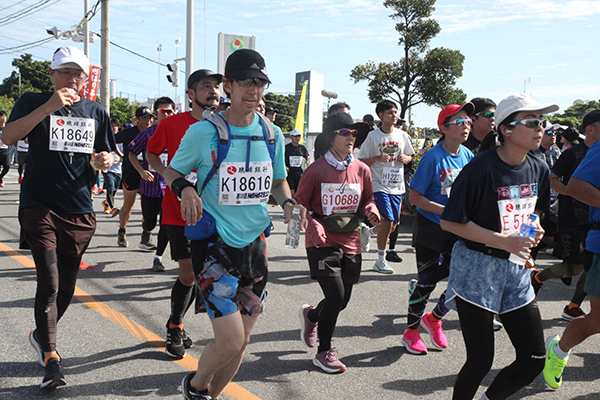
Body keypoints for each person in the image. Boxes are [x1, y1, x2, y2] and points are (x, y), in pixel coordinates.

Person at [163, 49, 305, 400]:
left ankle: (209, 396)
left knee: (242, 343)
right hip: (215, 245)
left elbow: (278, 182)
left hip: (255, 247)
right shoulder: (203, 132)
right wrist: (186, 189)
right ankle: (195, 386)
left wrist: (288, 203)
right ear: (228, 86)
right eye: (245, 82)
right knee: (231, 339)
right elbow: (172, 171)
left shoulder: (272, 134)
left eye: (259, 83)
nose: (253, 90)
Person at [0, 46, 114, 389]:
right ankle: (51, 357)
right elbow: (8, 136)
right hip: (38, 203)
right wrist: (49, 107)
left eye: (78, 73)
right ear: (52, 74)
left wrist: (104, 160)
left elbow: (105, 152)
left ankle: (41, 334)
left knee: (65, 287)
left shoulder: (96, 111)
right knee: (48, 281)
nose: (72, 78)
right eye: (65, 71)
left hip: (78, 207)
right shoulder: (33, 101)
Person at [440, 94, 555, 400]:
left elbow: (535, 210)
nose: (540, 128)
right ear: (506, 129)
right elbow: (450, 222)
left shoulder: (539, 167)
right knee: (480, 361)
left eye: (541, 122)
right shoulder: (480, 168)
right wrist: (504, 240)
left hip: (516, 270)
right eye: (531, 122)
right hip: (477, 270)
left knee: (533, 359)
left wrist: (534, 228)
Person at [147, 69, 222, 359]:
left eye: (216, 86)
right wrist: (168, 174)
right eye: (205, 86)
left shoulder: (224, 124)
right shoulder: (171, 123)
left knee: (208, 276)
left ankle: (183, 324)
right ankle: (176, 326)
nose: (213, 91)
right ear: (191, 94)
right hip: (179, 212)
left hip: (217, 213)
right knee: (188, 273)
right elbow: (152, 153)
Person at [295, 112, 379, 373]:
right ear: (330, 138)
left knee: (342, 301)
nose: (351, 137)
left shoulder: (362, 169)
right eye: (344, 132)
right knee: (336, 295)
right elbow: (299, 203)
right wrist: (313, 223)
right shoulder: (315, 170)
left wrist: (371, 209)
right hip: (321, 241)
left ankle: (312, 315)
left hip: (351, 238)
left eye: (353, 133)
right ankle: (324, 352)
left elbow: (368, 199)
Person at [401, 103, 474, 355]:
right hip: (431, 227)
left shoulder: (467, 155)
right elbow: (414, 198)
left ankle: (434, 318)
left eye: (468, 121)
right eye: (460, 122)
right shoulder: (432, 158)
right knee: (426, 282)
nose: (466, 126)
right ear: (444, 128)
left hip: (457, 228)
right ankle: (411, 332)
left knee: (462, 279)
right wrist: (445, 210)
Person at [542, 109, 600, 390]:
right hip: (584, 230)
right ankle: (559, 349)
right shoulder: (589, 151)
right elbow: (573, 185)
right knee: (597, 320)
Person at [531, 118, 600, 321]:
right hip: (572, 218)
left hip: (594, 220)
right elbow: (551, 179)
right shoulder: (572, 153)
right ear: (591, 129)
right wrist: (573, 192)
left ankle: (573, 306)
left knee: (591, 267)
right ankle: (537, 277)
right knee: (574, 267)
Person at [358, 99, 414, 274]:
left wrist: (406, 159)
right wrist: (376, 158)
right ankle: (380, 260)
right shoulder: (373, 136)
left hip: (397, 185)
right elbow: (361, 161)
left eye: (395, 112)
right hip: (378, 184)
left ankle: (367, 232)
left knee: (393, 224)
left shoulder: (402, 135)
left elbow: (410, 156)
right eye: (390, 112)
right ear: (381, 115)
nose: (394, 115)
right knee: (388, 221)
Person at [128, 97, 176, 271]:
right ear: (156, 113)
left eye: (170, 111)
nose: (167, 115)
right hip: (150, 186)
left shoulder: (180, 133)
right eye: (163, 111)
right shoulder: (148, 134)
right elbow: (132, 153)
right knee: (150, 222)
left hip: (169, 187)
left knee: (166, 224)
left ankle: (158, 257)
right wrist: (141, 171)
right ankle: (146, 230)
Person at [115, 106, 155, 247]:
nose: (148, 121)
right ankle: (122, 230)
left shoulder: (155, 132)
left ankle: (146, 237)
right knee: (129, 205)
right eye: (144, 118)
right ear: (137, 120)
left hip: (149, 173)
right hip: (131, 173)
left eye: (150, 118)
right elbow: (111, 140)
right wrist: (120, 155)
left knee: (147, 207)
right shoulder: (128, 133)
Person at [102, 118, 124, 216]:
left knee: (114, 189)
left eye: (115, 126)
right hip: (108, 169)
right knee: (110, 188)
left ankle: (107, 203)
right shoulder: (106, 139)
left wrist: (123, 157)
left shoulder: (122, 139)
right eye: (111, 126)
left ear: (118, 127)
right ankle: (113, 208)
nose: (114, 128)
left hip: (118, 169)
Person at [285, 129, 310, 197]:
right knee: (291, 191)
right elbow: (281, 158)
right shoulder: (286, 148)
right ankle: (291, 202)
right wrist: (284, 166)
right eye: (295, 136)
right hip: (289, 173)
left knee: (298, 191)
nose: (297, 138)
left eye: (299, 136)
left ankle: (296, 202)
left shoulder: (302, 148)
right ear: (291, 137)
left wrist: (307, 160)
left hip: (298, 173)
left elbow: (307, 156)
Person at [0, 110, 9, 187]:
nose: (3, 118)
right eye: (2, 116)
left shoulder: (8, 127)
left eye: (5, 116)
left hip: (6, 150)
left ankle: (0, 177)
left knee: (7, 166)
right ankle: (1, 180)